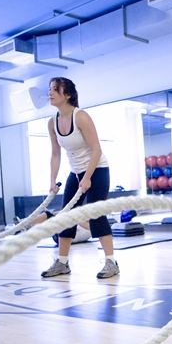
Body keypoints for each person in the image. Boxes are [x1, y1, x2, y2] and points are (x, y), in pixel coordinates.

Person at [43, 77, 119, 279]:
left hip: (97, 169)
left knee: (96, 213)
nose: (50, 93)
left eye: (55, 90)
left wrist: (87, 177)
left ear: (67, 95)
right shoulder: (52, 122)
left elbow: (97, 150)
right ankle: (62, 263)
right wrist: (52, 179)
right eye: (49, 89)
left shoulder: (81, 117)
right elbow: (55, 154)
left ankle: (111, 262)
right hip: (75, 172)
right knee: (67, 216)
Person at [13, 211, 91, 245]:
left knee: (51, 216)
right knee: (49, 215)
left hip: (63, 236)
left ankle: (24, 224)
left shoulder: (91, 228)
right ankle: (24, 224)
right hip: (61, 235)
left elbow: (80, 221)